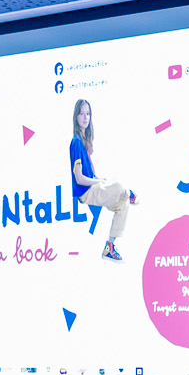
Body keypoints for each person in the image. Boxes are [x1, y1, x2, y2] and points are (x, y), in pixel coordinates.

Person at [70, 97, 135, 263]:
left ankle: (109, 247)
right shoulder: (76, 142)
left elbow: (89, 176)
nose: (85, 117)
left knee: (123, 204)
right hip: (86, 192)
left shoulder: (84, 142)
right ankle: (129, 192)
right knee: (119, 186)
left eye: (88, 114)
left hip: (92, 189)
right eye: (82, 113)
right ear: (76, 116)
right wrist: (98, 182)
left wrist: (98, 179)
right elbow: (79, 178)